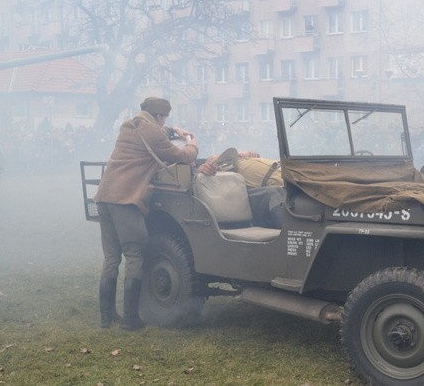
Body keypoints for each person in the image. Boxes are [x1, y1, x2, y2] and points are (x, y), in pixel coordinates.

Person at [94, 97, 199, 330]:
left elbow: (153, 133)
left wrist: (173, 130)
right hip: (125, 199)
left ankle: (106, 316)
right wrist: (192, 142)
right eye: (165, 118)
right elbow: (182, 156)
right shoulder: (153, 133)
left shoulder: (129, 125)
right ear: (159, 116)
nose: (165, 122)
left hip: (105, 197)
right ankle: (131, 318)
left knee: (111, 258)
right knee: (134, 254)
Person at [196, 148, 284, 228]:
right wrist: (202, 169)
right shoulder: (228, 177)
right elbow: (203, 173)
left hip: (286, 171)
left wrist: (245, 153)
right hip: (275, 185)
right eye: (220, 161)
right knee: (275, 192)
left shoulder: (247, 160)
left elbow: (255, 154)